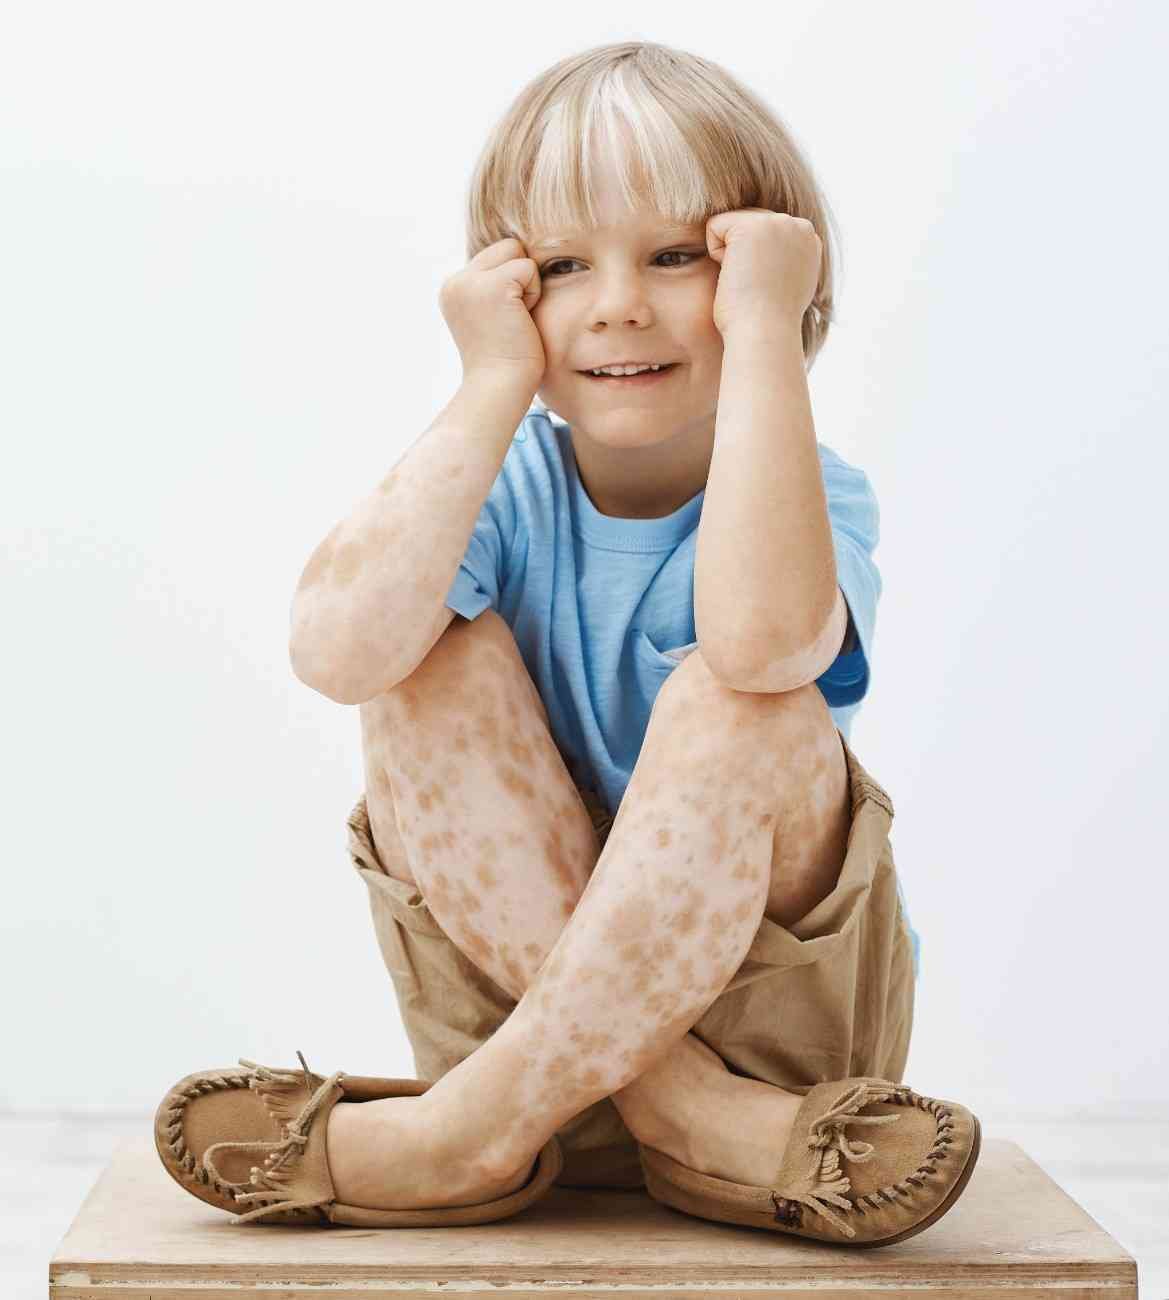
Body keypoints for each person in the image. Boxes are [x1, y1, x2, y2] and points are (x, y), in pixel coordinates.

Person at [155, 41, 979, 1246]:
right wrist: (490, 380)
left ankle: (456, 1138)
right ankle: (672, 1112)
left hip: (782, 1072)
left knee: (738, 694)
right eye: (559, 266)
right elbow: (334, 653)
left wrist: (762, 329)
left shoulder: (815, 495)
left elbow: (755, 649)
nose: (617, 304)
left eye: (677, 256)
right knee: (415, 652)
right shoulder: (502, 492)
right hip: (523, 1032)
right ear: (504, 289)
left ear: (766, 270)